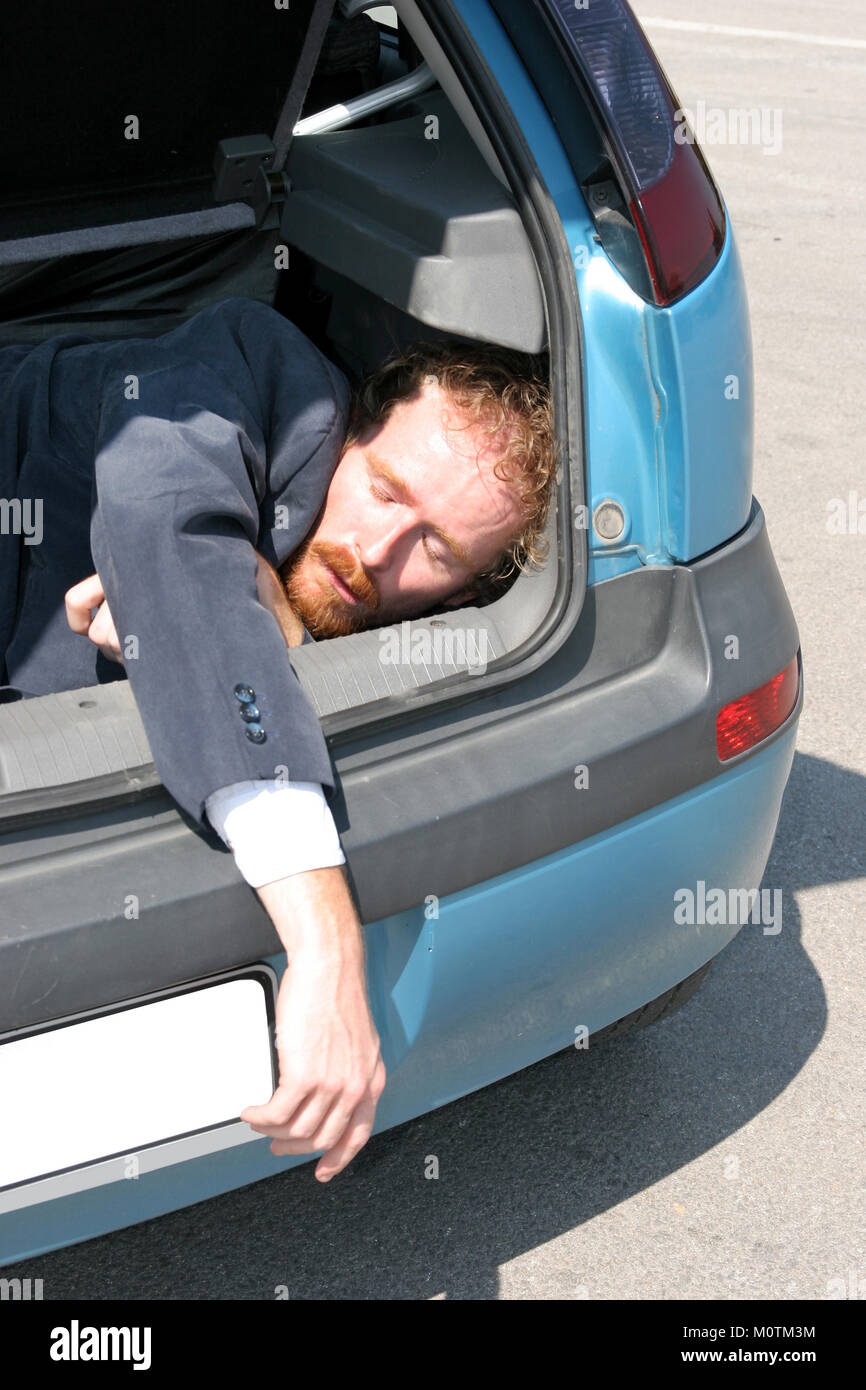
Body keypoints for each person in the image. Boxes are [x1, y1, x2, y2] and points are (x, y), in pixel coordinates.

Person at [0, 295, 555, 1180]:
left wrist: (263, 627)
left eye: (438, 550)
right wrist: (329, 950)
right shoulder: (246, 366)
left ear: (464, 594)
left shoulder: (389, 609)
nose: (378, 551)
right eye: (383, 490)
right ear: (353, 430)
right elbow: (168, 519)